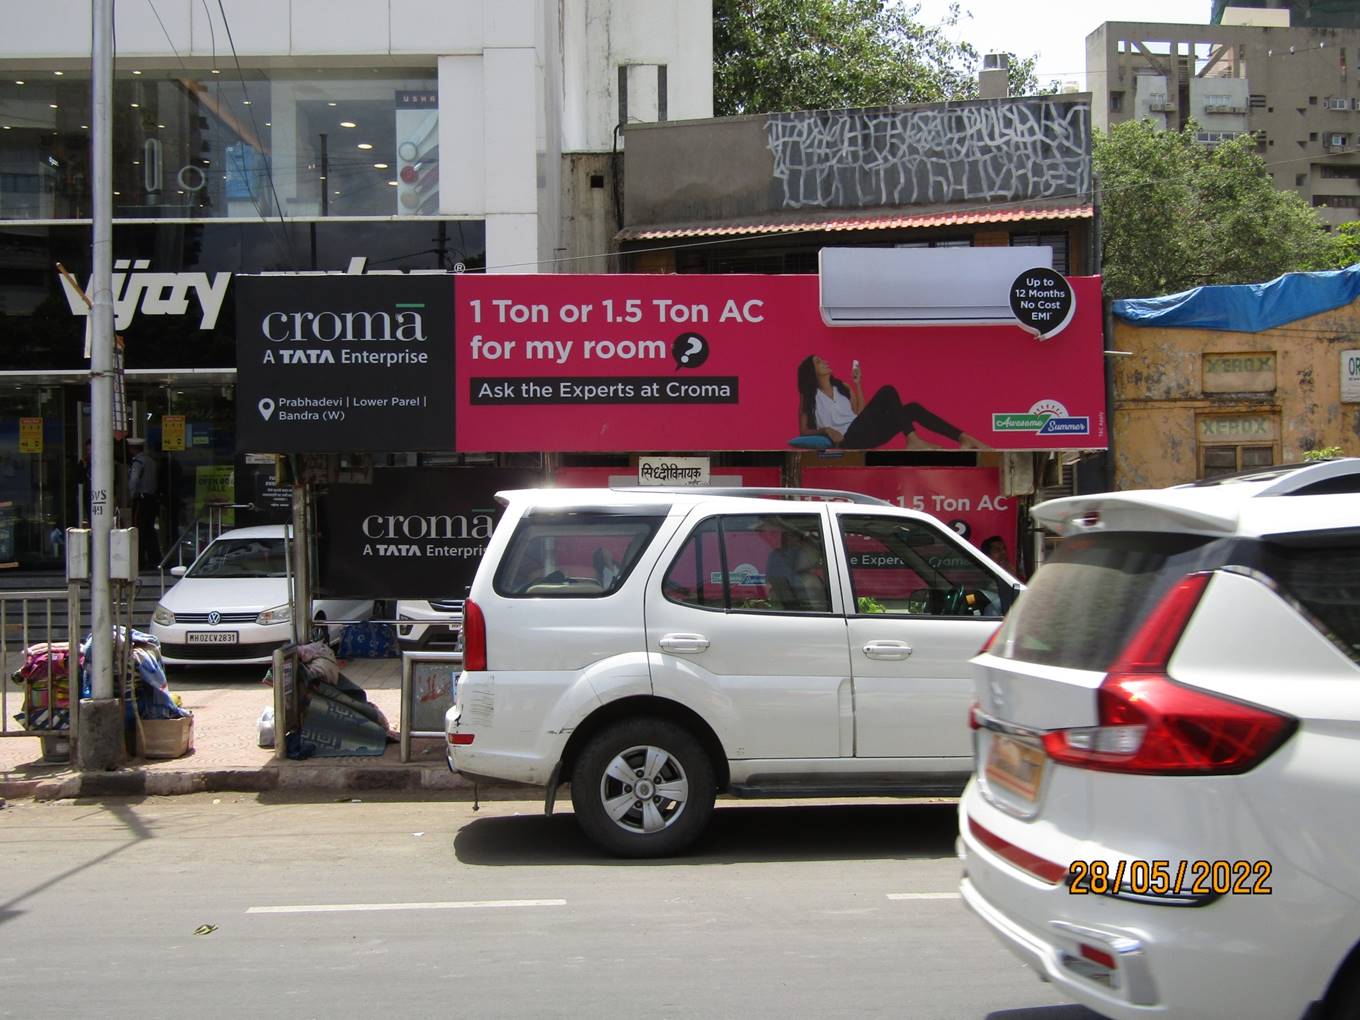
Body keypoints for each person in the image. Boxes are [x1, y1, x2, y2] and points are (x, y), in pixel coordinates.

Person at [796, 354, 983, 451]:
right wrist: (826, 430)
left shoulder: (843, 387)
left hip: (865, 432)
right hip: (847, 441)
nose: (825, 362)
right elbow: (804, 431)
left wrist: (857, 383)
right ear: (811, 371)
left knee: (912, 408)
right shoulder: (809, 396)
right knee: (887, 390)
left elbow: (860, 413)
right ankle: (913, 439)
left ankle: (962, 438)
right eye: (819, 362)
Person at [126, 436, 162, 569]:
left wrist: (131, 496)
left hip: (141, 499)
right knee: (150, 529)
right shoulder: (151, 461)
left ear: (132, 449)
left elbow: (134, 480)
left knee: (139, 529)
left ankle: (140, 560)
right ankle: (155, 557)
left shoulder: (138, 462)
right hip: (152, 498)